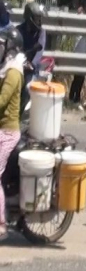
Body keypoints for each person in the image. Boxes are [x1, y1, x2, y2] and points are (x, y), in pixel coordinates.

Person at [0, 27, 25, 241]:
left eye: (3, 44)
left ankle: (0, 224)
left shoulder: (14, 72)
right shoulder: (6, 69)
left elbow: (1, 101)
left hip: (7, 132)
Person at [69, 3, 86, 108]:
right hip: (79, 52)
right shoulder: (81, 20)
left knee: (79, 78)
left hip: (82, 51)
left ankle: (74, 98)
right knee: (79, 78)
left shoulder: (83, 20)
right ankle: (74, 99)